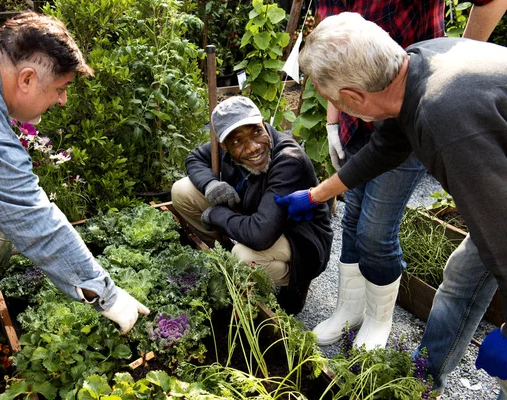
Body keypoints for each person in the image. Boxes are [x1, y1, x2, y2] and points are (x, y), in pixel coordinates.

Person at [0, 12, 149, 398]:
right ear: (27, 79)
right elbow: (39, 224)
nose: (64, 100)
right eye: (62, 87)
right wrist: (110, 297)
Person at [274, 12, 507, 397]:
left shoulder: (444, 120)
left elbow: (501, 235)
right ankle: (425, 376)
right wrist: (316, 195)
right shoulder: (416, 64)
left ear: (351, 97)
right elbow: (383, 149)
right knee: (463, 276)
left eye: (333, 100)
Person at [307, 0, 445, 350]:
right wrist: (333, 121)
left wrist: (448, 75)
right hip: (361, 117)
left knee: (376, 231)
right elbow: (332, 67)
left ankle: (378, 319)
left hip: (409, 111)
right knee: (352, 219)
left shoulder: (448, 115)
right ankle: (349, 310)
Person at [171, 96, 333, 315]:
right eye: (237, 141)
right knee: (182, 191)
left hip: (298, 239)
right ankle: (222, 255)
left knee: (243, 256)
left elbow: (260, 235)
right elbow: (194, 158)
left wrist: (217, 215)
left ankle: (291, 282)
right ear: (223, 146)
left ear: (264, 124)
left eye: (257, 132)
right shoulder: (224, 147)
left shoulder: (288, 160)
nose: (253, 147)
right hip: (255, 217)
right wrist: (210, 184)